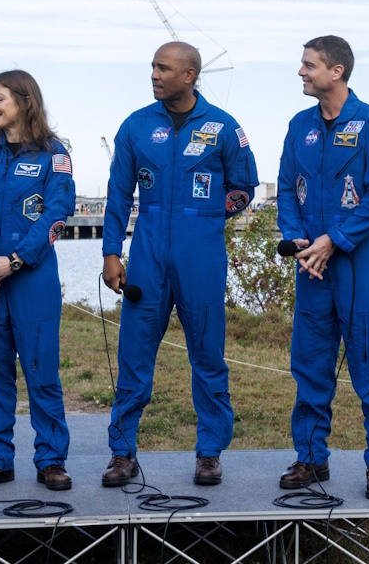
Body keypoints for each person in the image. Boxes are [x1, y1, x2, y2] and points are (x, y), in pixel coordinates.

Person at [100, 41, 258, 487]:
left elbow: (243, 186)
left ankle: (209, 453)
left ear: (189, 76)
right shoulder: (136, 126)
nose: (154, 75)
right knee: (134, 356)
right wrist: (111, 252)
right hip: (147, 255)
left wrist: (205, 217)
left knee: (208, 357)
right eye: (153, 66)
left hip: (201, 256)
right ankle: (122, 453)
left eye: (164, 68)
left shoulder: (224, 127)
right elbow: (119, 194)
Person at [275, 35, 369, 500]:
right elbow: (287, 189)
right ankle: (311, 458)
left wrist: (335, 241)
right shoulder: (299, 126)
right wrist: (297, 240)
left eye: (309, 65)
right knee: (310, 365)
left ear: (337, 72)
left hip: (360, 269)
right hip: (312, 268)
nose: (301, 72)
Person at [0, 71, 76, 491]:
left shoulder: (54, 155)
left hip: (32, 279)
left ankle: (51, 460)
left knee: (41, 373)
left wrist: (17, 260)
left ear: (25, 102)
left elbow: (56, 214)